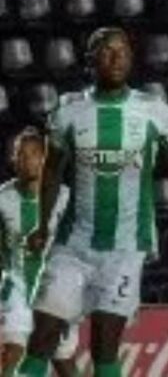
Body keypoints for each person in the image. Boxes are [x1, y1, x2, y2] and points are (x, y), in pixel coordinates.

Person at [16, 27, 168, 377]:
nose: (116, 58)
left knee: (104, 345)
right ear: (90, 60)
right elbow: (52, 172)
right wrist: (42, 226)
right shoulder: (69, 110)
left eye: (123, 52)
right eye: (107, 51)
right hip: (72, 246)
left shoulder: (154, 111)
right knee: (42, 337)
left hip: (126, 249)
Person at [0, 128, 77, 377]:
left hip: (58, 290)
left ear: (45, 159)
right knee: (13, 351)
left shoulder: (66, 198)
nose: (27, 160)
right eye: (20, 155)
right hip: (17, 286)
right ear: (13, 161)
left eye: (34, 154)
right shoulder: (3, 199)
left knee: (62, 359)